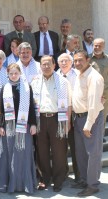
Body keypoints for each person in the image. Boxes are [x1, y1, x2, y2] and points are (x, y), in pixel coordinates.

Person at [0, 63, 37, 194]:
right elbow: (1, 110)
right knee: (8, 154)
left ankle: (23, 184)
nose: (13, 75)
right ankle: (9, 183)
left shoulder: (27, 87)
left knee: (23, 152)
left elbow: (31, 108)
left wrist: (33, 124)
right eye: (11, 73)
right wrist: (0, 126)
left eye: (16, 73)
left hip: (24, 126)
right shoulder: (4, 88)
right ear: (8, 74)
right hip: (9, 126)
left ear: (20, 73)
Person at [31, 55, 71, 192]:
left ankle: (58, 179)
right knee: (42, 151)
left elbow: (68, 104)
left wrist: (67, 122)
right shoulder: (35, 81)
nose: (46, 66)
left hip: (57, 119)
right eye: (43, 64)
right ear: (40, 66)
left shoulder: (63, 82)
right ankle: (45, 178)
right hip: (40, 119)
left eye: (49, 64)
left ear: (54, 65)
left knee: (59, 151)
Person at [71, 50, 104, 196]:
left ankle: (93, 185)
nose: (77, 63)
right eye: (75, 60)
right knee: (81, 152)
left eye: (80, 60)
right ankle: (84, 180)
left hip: (91, 118)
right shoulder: (79, 75)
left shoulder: (94, 77)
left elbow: (93, 104)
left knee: (92, 153)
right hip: (78, 118)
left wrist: (88, 124)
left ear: (88, 59)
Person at [56, 53, 80, 182]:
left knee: (76, 147)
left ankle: (78, 175)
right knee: (60, 148)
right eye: (61, 61)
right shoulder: (55, 75)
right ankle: (63, 173)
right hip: (58, 116)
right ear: (58, 63)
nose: (64, 63)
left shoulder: (78, 74)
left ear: (71, 62)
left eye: (66, 61)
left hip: (74, 114)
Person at [90, 38, 108, 123]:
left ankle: (100, 136)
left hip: (104, 94)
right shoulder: (87, 59)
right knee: (90, 118)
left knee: (102, 119)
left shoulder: (107, 59)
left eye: (99, 46)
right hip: (90, 93)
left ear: (103, 47)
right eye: (95, 45)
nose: (97, 47)